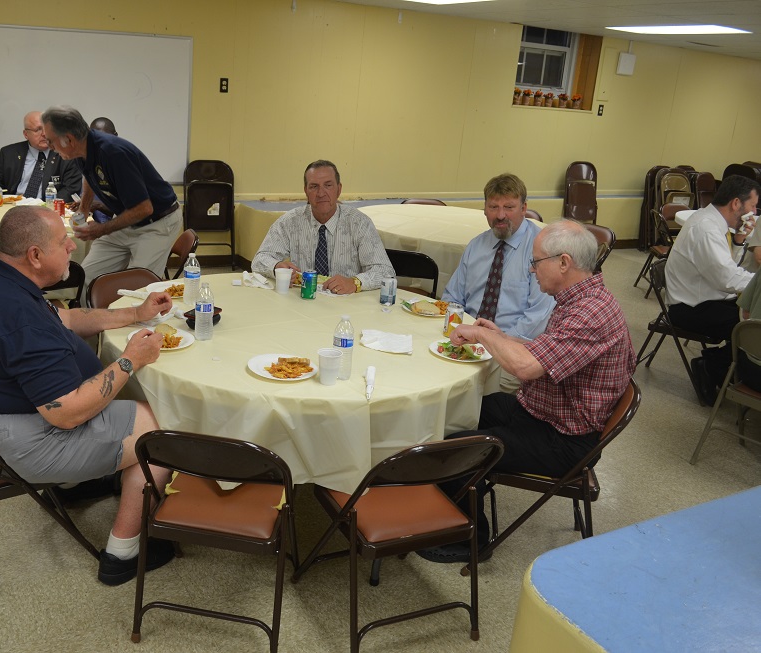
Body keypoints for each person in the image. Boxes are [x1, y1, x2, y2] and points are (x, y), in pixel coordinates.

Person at [0, 204, 176, 586]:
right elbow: (66, 413)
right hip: (20, 441)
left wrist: (135, 314)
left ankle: (76, 484)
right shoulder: (17, 315)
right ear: (35, 255)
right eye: (63, 241)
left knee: (130, 409)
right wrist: (132, 359)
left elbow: (65, 319)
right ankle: (123, 553)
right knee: (162, 426)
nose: (72, 246)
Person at [418, 219, 636, 564]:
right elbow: (546, 351)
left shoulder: (590, 312)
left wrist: (483, 335)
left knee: (457, 449)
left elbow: (525, 367)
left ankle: (471, 539)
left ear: (563, 263)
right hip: (544, 412)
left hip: (564, 439)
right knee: (461, 410)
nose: (532, 270)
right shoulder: (580, 298)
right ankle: (445, 498)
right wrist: (502, 337)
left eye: (536, 262)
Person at [41, 106, 182, 285]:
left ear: (69, 139)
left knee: (138, 287)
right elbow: (89, 176)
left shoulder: (113, 153)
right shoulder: (79, 150)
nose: (50, 147)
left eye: (51, 141)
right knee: (85, 279)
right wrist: (84, 209)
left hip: (156, 223)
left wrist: (102, 229)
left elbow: (144, 209)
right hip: (126, 220)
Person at [442, 173, 554, 391]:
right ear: (484, 209)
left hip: (512, 352)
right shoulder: (476, 246)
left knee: (468, 392)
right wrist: (456, 335)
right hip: (467, 342)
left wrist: (496, 344)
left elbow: (538, 318)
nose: (501, 215)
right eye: (493, 207)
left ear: (524, 208)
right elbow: (452, 298)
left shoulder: (541, 250)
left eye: (509, 207)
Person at [665, 174, 761, 405]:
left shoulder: (711, 220)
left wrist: (738, 241)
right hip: (690, 308)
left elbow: (725, 268)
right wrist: (758, 284)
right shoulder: (706, 228)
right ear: (736, 203)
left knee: (751, 317)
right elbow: (727, 279)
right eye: (753, 206)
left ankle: (721, 365)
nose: (754, 212)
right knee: (750, 328)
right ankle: (712, 365)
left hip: (706, 297)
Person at [251, 160, 394, 294]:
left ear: (339, 189)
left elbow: (385, 271)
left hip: (346, 302)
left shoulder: (359, 223)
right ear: (306, 191)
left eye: (328, 185)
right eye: (314, 187)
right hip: (301, 300)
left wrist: (354, 282)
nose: (321, 193)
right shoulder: (289, 222)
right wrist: (276, 267)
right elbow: (260, 260)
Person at [0, 111, 82, 202]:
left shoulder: (67, 154)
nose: (44, 134)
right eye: (38, 130)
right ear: (26, 134)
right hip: (14, 207)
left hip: (47, 209)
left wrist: (45, 206)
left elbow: (71, 189)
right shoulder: (9, 153)